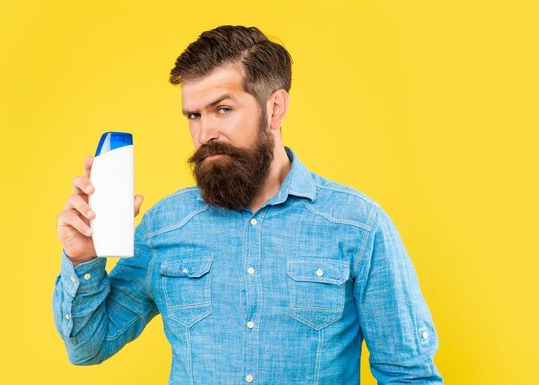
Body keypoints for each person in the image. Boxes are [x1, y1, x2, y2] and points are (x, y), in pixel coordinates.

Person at [53, 25, 443, 384]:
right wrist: (83, 259)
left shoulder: (359, 226)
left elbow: (409, 376)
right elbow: (89, 346)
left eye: (223, 109)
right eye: (193, 115)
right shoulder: (165, 227)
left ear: (275, 109)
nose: (205, 133)